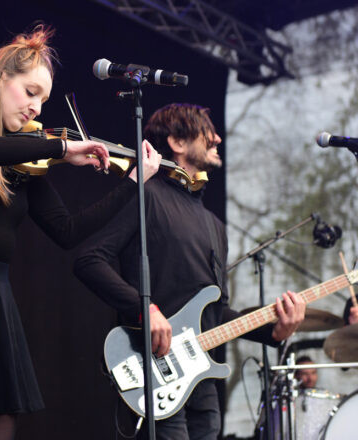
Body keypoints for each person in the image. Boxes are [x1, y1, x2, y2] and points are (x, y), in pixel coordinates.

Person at [0, 25, 161, 440]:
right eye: (30, 92)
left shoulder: (25, 167)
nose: (36, 108)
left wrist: (133, 183)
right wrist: (60, 148)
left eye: (43, 100)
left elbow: (67, 232)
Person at [74, 103, 306, 440]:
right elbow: (89, 259)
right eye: (206, 131)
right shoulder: (145, 196)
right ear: (178, 143)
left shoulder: (214, 225)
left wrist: (274, 333)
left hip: (203, 382)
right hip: (154, 369)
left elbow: (216, 313)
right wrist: (145, 309)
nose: (217, 138)